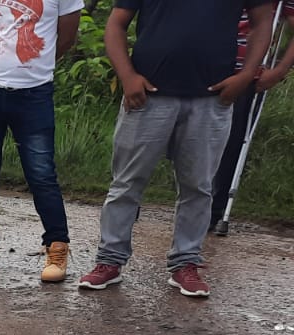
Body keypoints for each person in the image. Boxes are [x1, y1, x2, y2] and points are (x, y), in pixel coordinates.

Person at [78, 0, 274, 298]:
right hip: (147, 96)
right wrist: (127, 76)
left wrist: (247, 74)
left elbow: (263, 22)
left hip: (212, 99)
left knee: (198, 186)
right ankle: (109, 260)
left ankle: (186, 263)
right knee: (126, 183)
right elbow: (116, 23)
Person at [0, 0, 83, 282]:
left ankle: (57, 246)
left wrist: (34, 65)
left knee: (41, 174)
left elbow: (67, 37)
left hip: (34, 94)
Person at [210, 3, 294, 235]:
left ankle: (214, 209)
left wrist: (279, 71)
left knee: (231, 141)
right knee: (186, 136)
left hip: (246, 71)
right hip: (204, 62)